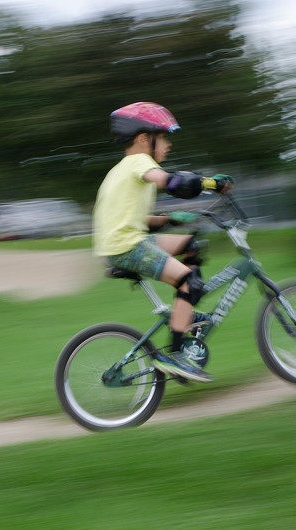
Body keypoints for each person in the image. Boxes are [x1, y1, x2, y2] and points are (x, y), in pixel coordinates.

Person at [92, 101, 233, 383]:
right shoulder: (140, 161)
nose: (167, 145)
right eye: (164, 137)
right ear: (144, 139)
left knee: (191, 244)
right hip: (127, 246)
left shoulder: (121, 169)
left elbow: (137, 218)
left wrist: (171, 218)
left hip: (125, 240)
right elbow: (172, 182)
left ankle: (186, 310)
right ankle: (178, 355)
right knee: (188, 282)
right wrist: (210, 184)